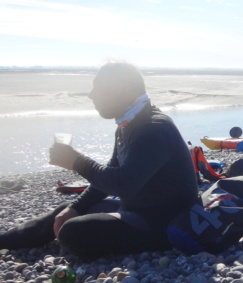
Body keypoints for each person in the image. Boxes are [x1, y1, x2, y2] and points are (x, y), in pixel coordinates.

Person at [0, 62, 198, 259]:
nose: (91, 95)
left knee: (73, 232)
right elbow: (110, 175)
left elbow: (123, 184)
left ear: (124, 90)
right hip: (137, 209)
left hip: (165, 224)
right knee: (67, 211)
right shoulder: (128, 124)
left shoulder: (154, 128)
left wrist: (78, 162)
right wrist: (76, 206)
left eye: (99, 88)